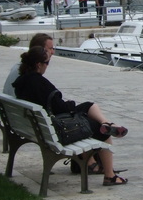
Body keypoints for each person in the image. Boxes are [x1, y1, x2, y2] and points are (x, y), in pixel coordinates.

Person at [12, 44, 128, 186]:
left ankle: (107, 125)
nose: (47, 66)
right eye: (47, 63)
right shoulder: (39, 83)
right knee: (102, 130)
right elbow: (60, 108)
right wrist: (71, 105)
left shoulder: (21, 82)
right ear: (38, 64)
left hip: (41, 128)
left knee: (89, 106)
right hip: (58, 130)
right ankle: (110, 175)